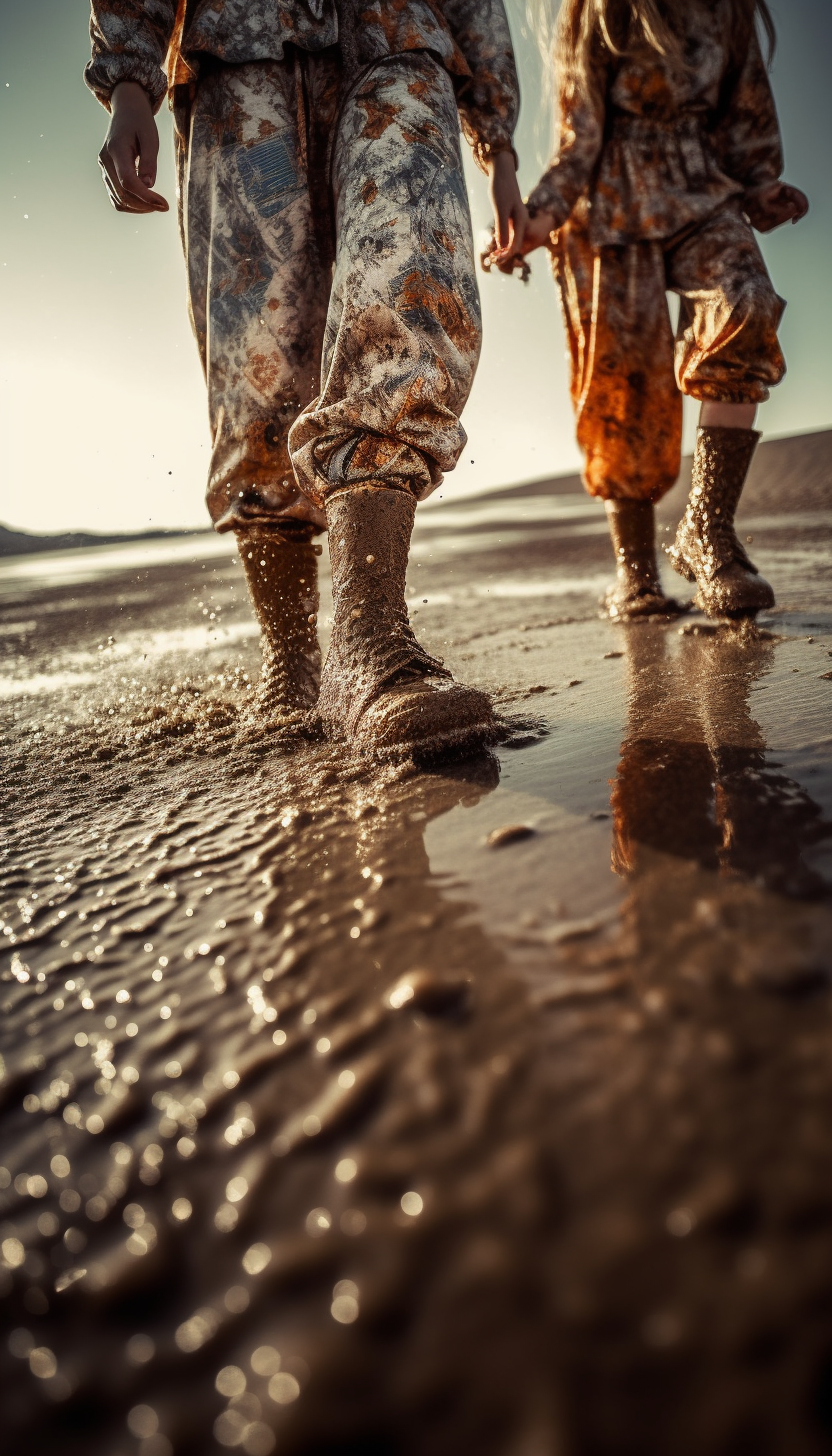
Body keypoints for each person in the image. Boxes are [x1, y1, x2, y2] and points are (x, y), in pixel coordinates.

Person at [86, 1, 527, 754]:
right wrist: (131, 77)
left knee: (411, 281)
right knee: (258, 355)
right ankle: (291, 660)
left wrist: (501, 146)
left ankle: (371, 640)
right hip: (239, 53)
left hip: (399, 36)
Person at [490, 0, 808, 620]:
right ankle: (636, 576)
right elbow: (580, 135)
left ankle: (708, 532)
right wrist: (541, 218)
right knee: (621, 386)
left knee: (745, 303)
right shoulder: (600, 11)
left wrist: (762, 184)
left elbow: (745, 110)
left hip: (704, 190)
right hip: (609, 203)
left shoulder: (730, 10)